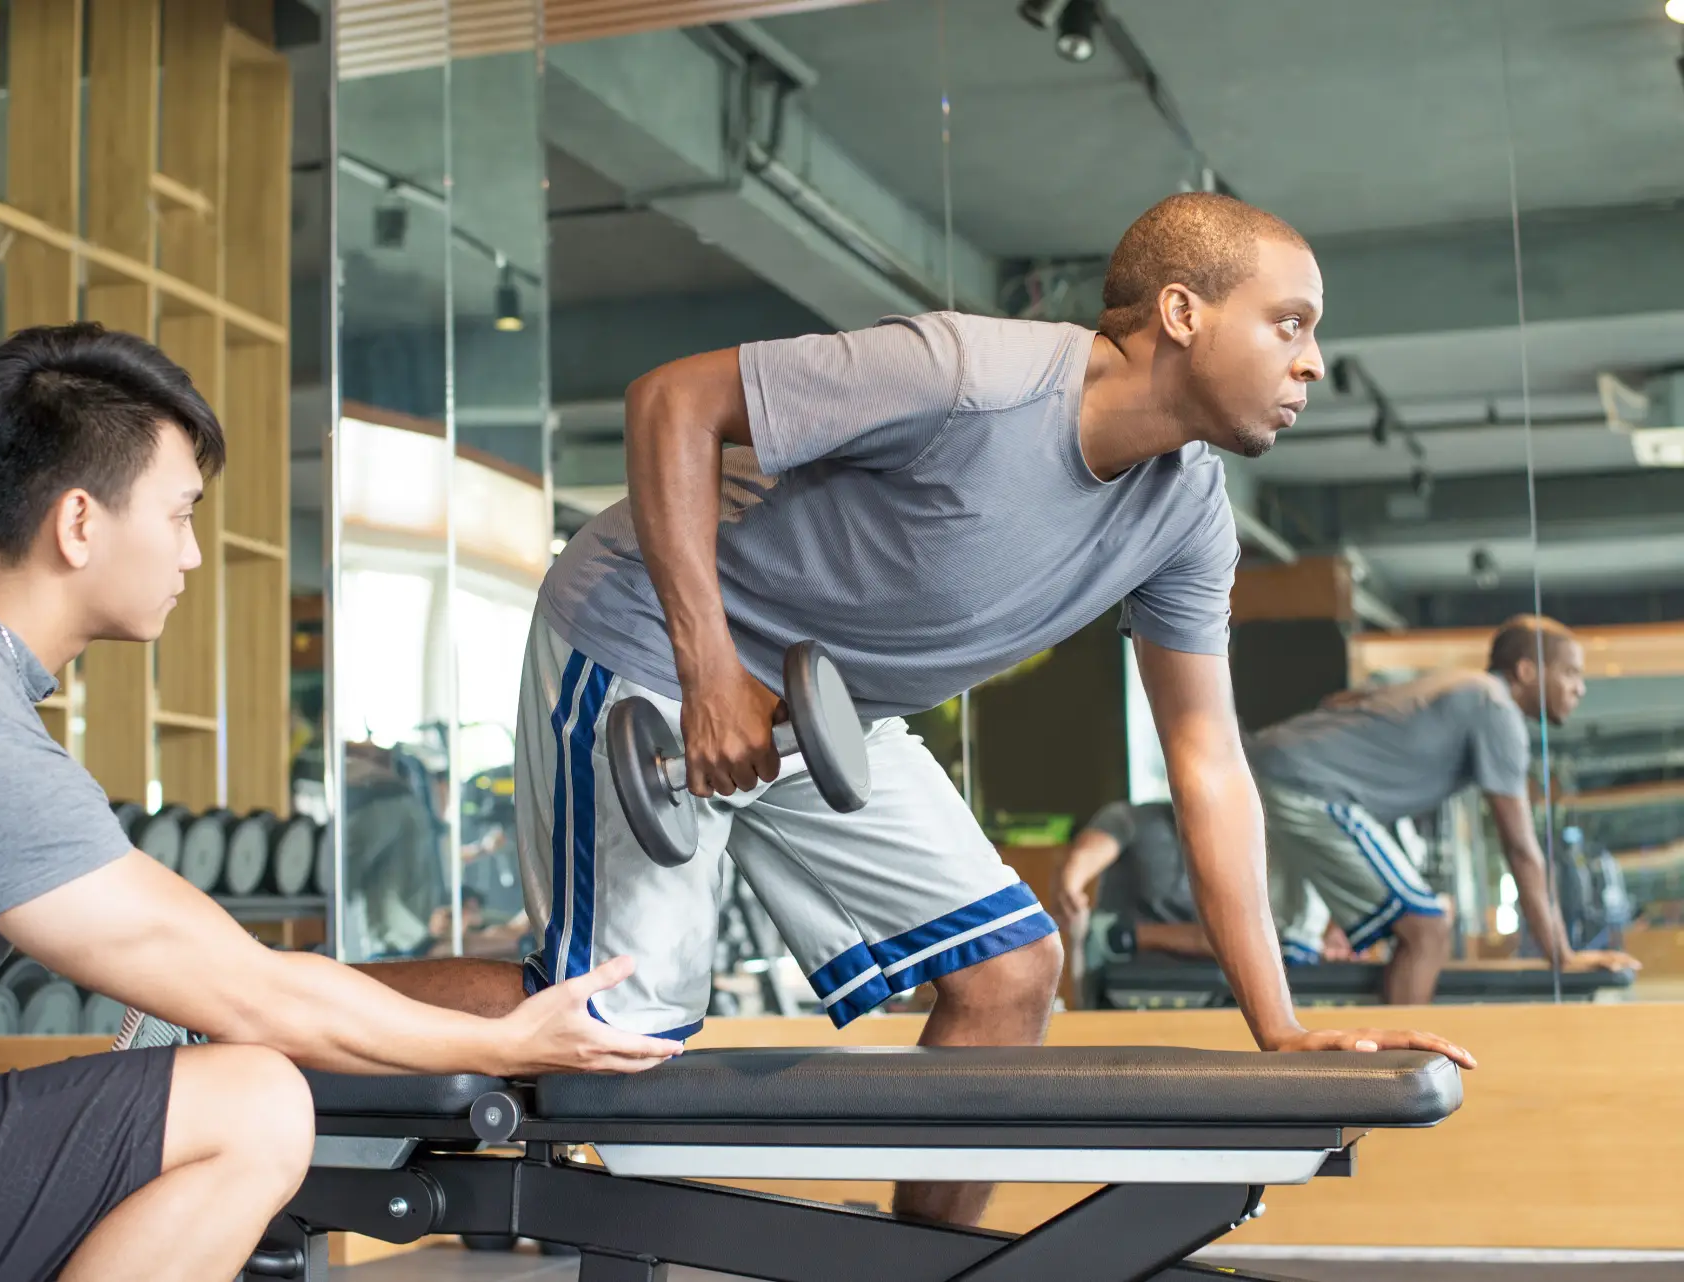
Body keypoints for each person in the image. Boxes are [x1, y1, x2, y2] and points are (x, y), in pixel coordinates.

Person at [372, 192, 1476, 1229]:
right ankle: (252, 1003)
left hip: (822, 702)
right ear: (1184, 314)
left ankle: (918, 1260)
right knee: (619, 1019)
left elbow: (1207, 761)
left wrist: (1278, 1030)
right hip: (652, 635)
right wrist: (708, 670)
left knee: (1009, 972)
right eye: (1289, 323)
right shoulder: (971, 377)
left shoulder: (1185, 516)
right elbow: (674, 401)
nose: (1314, 361)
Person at [0, 325, 677, 1282]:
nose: (193, 556)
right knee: (251, 1101)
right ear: (79, 523)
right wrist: (504, 1040)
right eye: (178, 515)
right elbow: (255, 994)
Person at [1248, 615, 1642, 1006]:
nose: (1580, 688)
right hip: (1309, 786)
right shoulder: (1496, 707)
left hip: (1269, 769)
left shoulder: (1460, 685)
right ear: (1526, 670)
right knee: (1426, 928)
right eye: (1571, 673)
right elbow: (1520, 848)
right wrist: (1562, 955)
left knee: (1285, 942)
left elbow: (1343, 702)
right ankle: (1401, 1068)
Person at [1054, 800, 1352, 988]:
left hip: (1221, 977)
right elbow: (1089, 852)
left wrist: (1338, 928)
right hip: (1136, 971)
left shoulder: (1258, 838)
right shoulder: (1136, 818)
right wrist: (1072, 881)